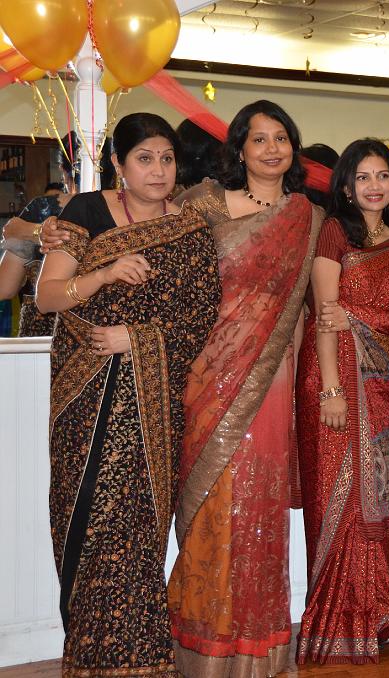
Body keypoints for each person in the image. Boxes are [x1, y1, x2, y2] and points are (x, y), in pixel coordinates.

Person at [34, 113, 221, 676]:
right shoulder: (86, 212)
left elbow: (200, 320)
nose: (158, 170)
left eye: (167, 158)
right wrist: (104, 274)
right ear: (118, 163)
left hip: (153, 402)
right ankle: (89, 654)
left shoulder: (189, 228)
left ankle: (142, 658)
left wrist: (136, 339)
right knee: (86, 521)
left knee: (139, 529)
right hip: (84, 398)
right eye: (144, 158)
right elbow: (47, 296)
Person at [166, 101, 324, 675]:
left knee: (260, 502)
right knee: (213, 502)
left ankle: (257, 645)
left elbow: (308, 302)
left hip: (272, 376)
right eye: (260, 139)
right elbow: (170, 277)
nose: (272, 149)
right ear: (239, 148)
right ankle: (203, 643)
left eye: (281, 137)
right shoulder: (201, 204)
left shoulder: (307, 216)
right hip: (207, 372)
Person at [293, 139, 389, 664]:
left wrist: (359, 317)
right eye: (362, 176)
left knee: (376, 503)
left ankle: (375, 613)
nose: (374, 185)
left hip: (382, 386)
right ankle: (333, 621)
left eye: (382, 176)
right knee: (337, 498)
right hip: (335, 379)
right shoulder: (335, 232)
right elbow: (326, 313)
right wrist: (330, 389)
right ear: (346, 185)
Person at [1, 134, 80, 336]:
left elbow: (5, 287)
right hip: (107, 333)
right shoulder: (130, 210)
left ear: (63, 170)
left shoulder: (41, 209)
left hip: (44, 332)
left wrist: (28, 230)